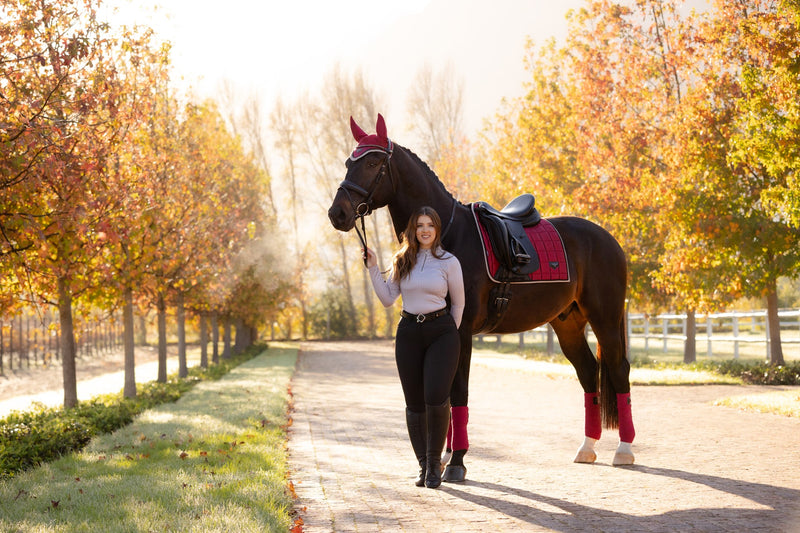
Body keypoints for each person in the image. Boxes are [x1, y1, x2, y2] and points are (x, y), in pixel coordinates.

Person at [364, 206, 465, 489]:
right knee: (414, 403)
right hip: (408, 332)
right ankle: (423, 466)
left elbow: (458, 304)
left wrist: (448, 333)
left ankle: (435, 464)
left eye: (429, 225)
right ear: (413, 229)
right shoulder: (402, 260)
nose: (424, 230)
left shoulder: (448, 262)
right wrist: (373, 267)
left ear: (437, 229)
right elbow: (387, 298)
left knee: (435, 397)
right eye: (419, 225)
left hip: (442, 333)